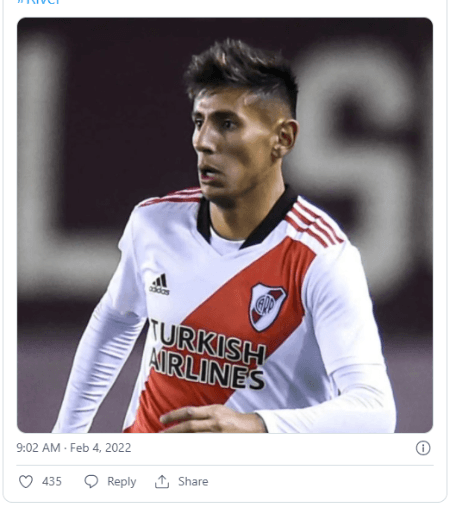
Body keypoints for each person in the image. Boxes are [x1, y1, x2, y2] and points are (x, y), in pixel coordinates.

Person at [53, 39, 396, 434]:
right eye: (199, 121)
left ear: (283, 139)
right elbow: (116, 318)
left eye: (227, 124)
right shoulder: (154, 223)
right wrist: (66, 439)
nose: (203, 140)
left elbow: (375, 411)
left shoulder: (321, 257)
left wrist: (255, 426)